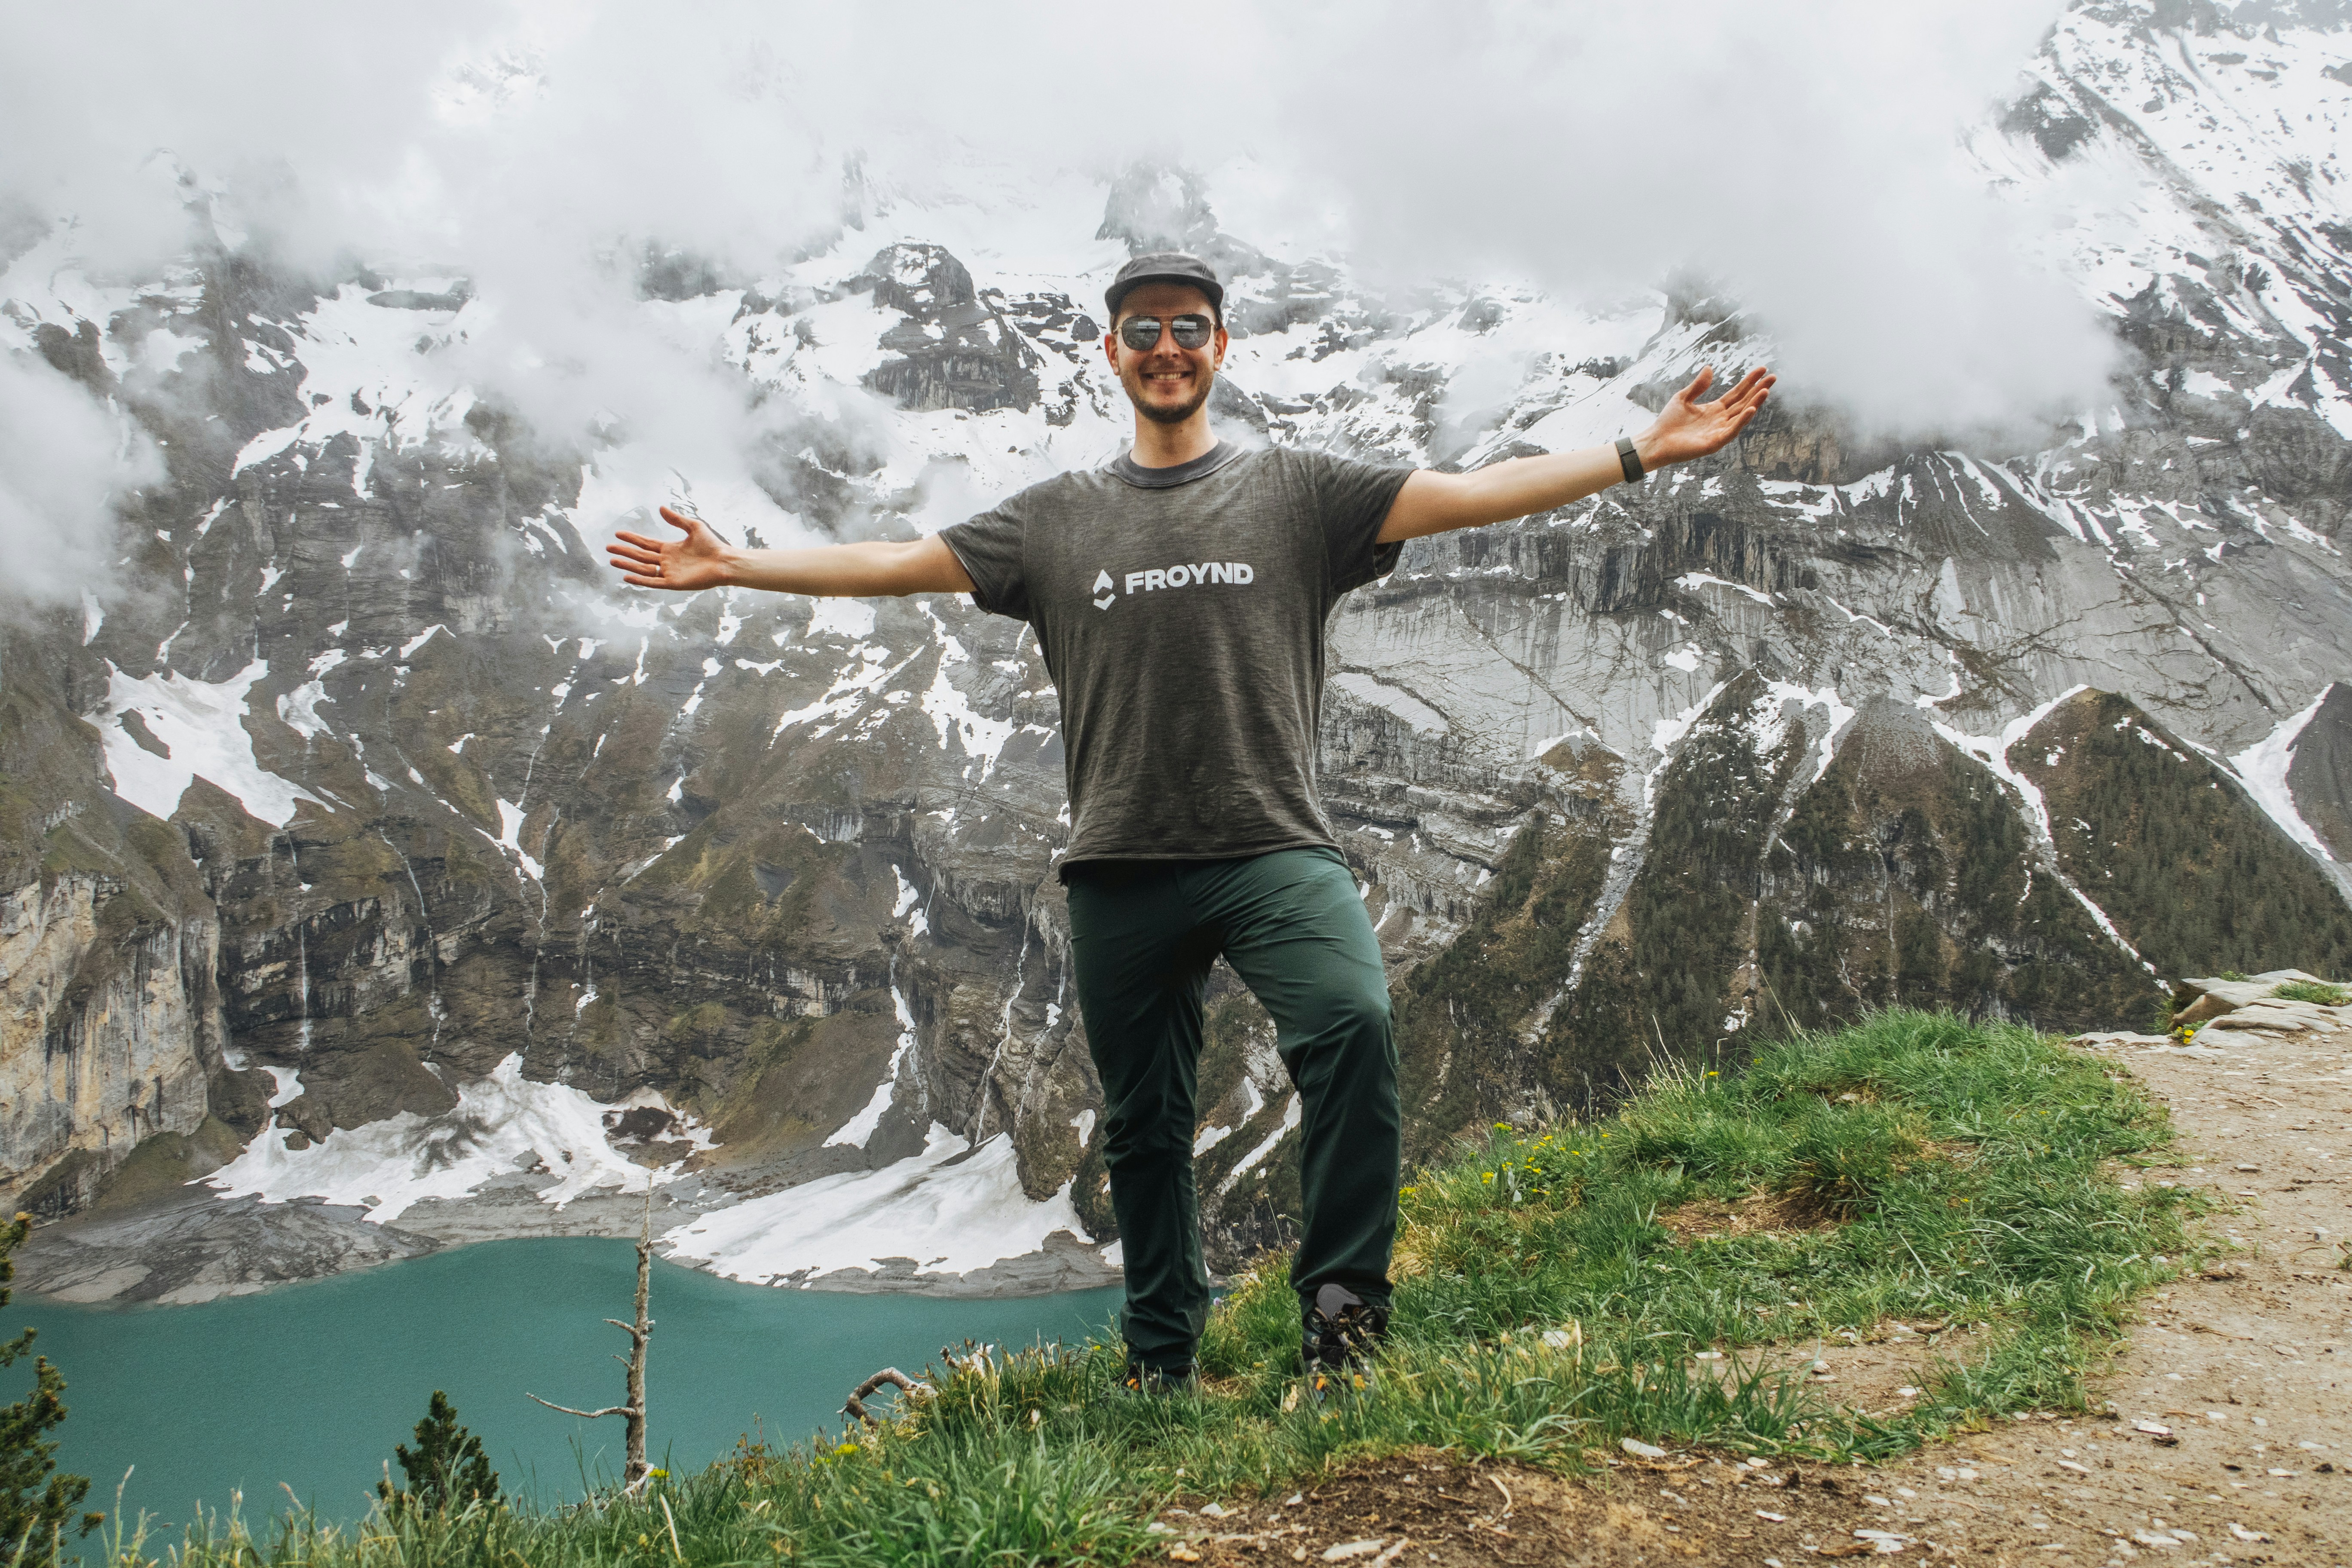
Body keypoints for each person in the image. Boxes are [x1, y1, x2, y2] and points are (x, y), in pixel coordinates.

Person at [606, 250, 1773, 1393]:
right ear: (1113, 355)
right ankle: (1162, 1358)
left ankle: (1344, 1314)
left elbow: (1469, 494)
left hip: (1277, 849)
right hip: (1120, 868)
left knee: (1355, 1027)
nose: (1168, 350)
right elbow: (899, 562)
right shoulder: (1053, 523)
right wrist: (734, 567)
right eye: (1145, 332)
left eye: (1189, 329)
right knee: (1144, 1128)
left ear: (1221, 347)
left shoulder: (1302, 495)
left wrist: (1639, 452)